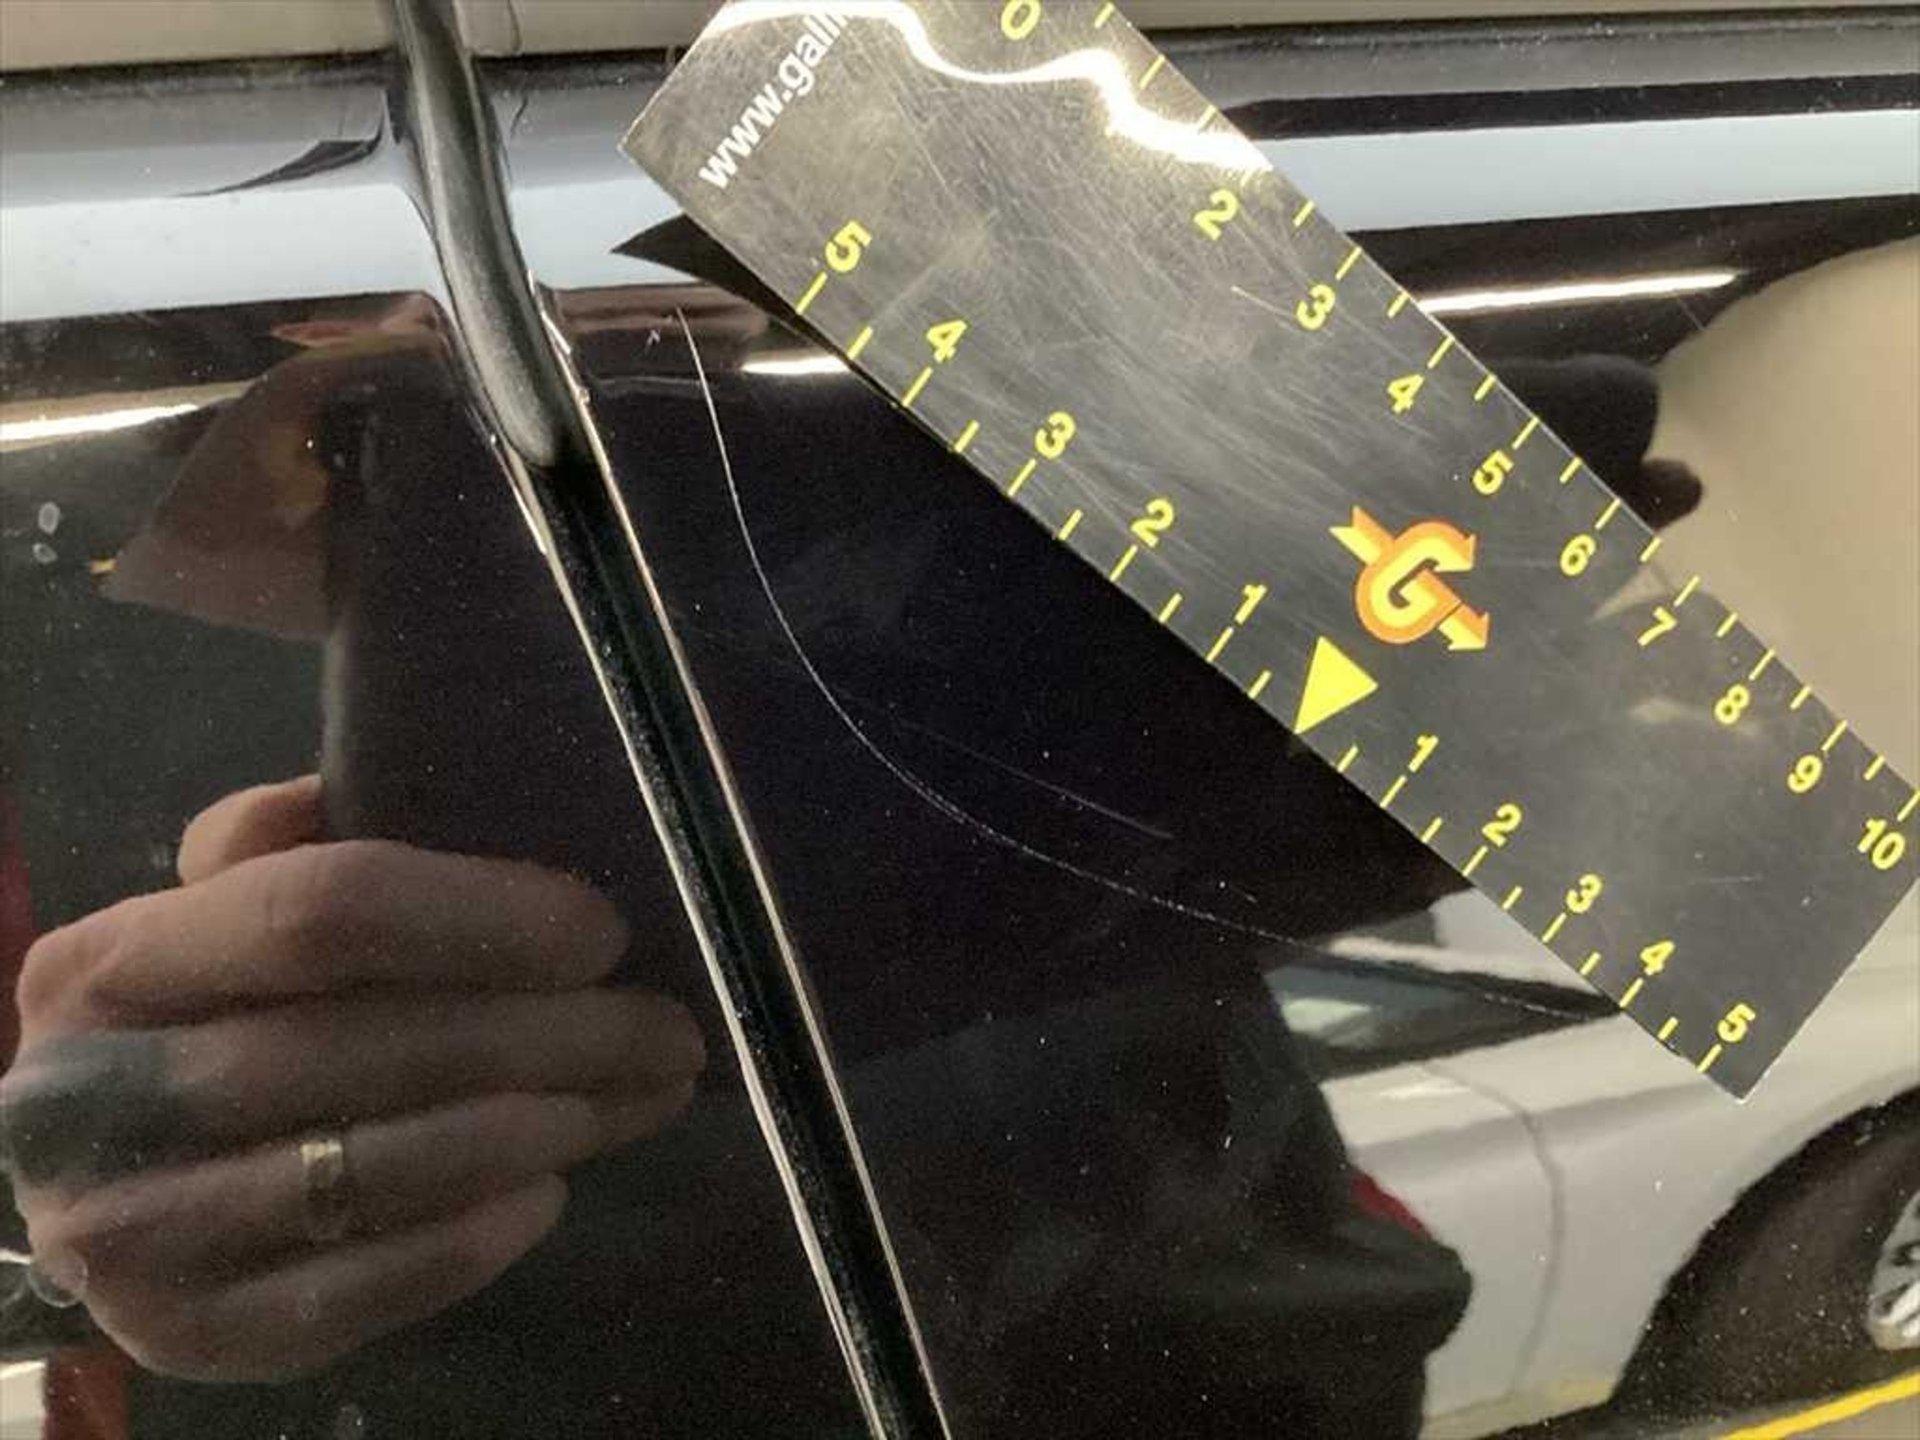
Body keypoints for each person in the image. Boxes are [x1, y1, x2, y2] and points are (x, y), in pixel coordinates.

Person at [3, 286, 1695, 1436]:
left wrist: (1424, 750)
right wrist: (62, 1225)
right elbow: (67, 1179)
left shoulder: (1013, 350)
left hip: (1227, 1350)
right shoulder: (70, 555)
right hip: (464, 1383)